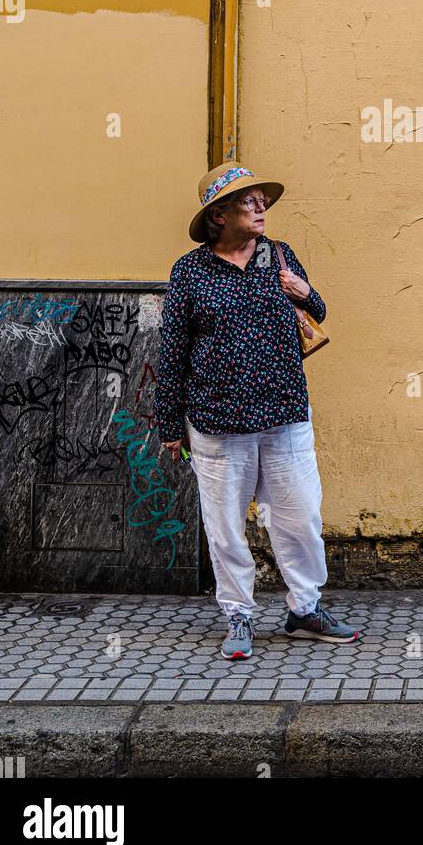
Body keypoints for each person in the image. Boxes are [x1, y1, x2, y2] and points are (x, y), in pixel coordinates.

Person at [154, 161, 359, 658]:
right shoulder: (191, 271)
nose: (261, 206)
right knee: (225, 526)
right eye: (248, 201)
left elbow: (318, 312)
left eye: (261, 199)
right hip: (219, 423)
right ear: (219, 216)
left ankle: (304, 609)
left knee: (300, 518)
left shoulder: (280, 255)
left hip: (286, 413)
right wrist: (168, 422)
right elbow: (173, 348)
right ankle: (239, 615)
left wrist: (306, 292)